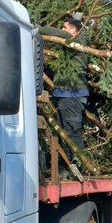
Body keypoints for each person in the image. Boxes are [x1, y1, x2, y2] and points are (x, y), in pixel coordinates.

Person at [38, 13, 88, 180]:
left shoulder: (78, 42)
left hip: (73, 95)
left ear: (73, 31)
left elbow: (57, 33)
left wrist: (37, 29)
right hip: (63, 95)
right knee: (63, 133)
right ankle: (66, 167)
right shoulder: (68, 50)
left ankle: (79, 168)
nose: (62, 30)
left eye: (65, 27)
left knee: (72, 132)